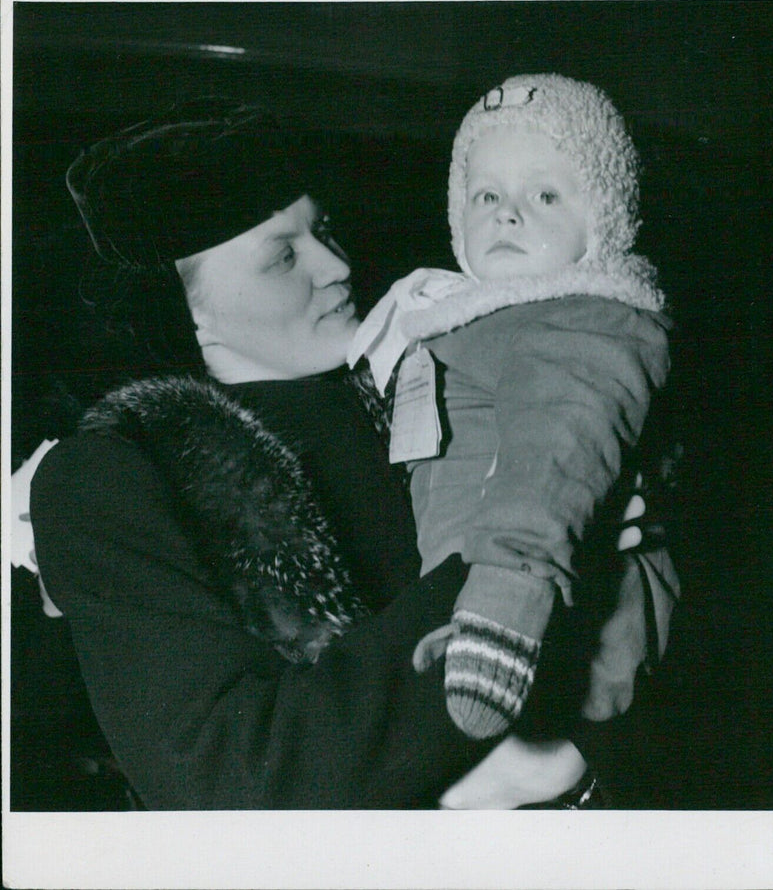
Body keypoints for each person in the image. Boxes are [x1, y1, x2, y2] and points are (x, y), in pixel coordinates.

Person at [28, 96, 664, 810]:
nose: (335, 264)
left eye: (323, 228)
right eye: (282, 254)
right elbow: (227, 772)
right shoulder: (109, 475)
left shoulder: (452, 387)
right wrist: (511, 557)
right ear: (186, 307)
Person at [348, 74, 680, 742]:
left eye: (546, 194)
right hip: (477, 620)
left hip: (548, 620)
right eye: (487, 194)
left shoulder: (586, 321)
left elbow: (552, 461)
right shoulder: (465, 321)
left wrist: (505, 600)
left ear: (603, 221)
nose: (507, 212)